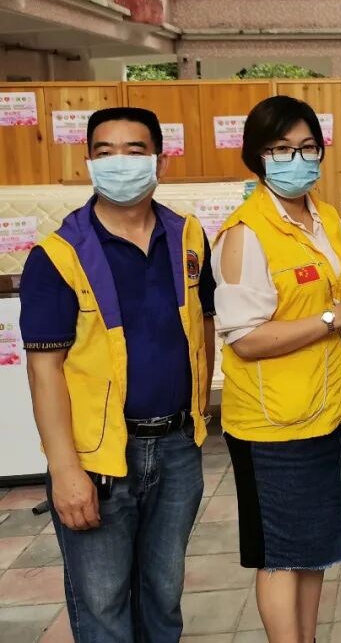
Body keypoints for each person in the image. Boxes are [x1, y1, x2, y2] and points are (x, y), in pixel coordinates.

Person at [20, 107, 215, 642]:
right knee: (103, 604)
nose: (120, 163)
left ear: (160, 162)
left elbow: (203, 322)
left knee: (163, 595)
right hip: (98, 459)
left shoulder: (187, 236)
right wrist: (65, 470)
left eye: (135, 151)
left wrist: (198, 412)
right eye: (105, 153)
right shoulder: (57, 256)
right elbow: (44, 370)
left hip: (176, 448)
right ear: (88, 163)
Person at [211, 95, 341, 643]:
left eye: (307, 147)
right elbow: (245, 340)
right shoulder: (244, 233)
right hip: (272, 426)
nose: (297, 159)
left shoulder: (325, 218)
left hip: (325, 411)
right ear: (257, 156)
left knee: (312, 550)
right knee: (281, 556)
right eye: (281, 149)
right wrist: (335, 316)